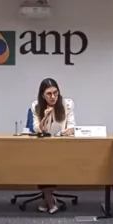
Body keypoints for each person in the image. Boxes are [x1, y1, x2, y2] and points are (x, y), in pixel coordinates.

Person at [31, 78, 76, 214]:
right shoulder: (36, 106)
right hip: (42, 147)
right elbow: (36, 129)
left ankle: (47, 199)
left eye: (55, 93)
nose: (53, 97)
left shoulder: (67, 104)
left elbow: (72, 126)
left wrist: (68, 131)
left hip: (61, 146)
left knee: (50, 161)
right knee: (42, 161)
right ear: (42, 95)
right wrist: (44, 117)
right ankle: (49, 199)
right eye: (49, 94)